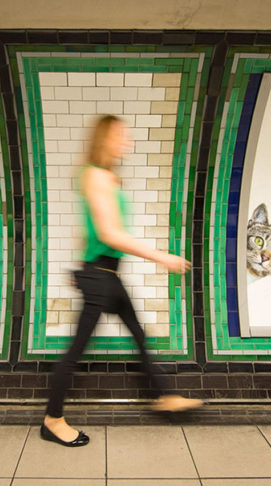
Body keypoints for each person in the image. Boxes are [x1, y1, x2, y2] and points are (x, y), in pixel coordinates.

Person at [41, 114, 203, 447]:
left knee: (139, 334)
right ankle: (52, 419)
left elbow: (86, 228)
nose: (126, 142)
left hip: (105, 274)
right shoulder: (95, 176)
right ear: (104, 139)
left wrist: (81, 264)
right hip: (101, 276)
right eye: (120, 136)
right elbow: (109, 233)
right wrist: (162, 257)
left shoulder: (105, 178)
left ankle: (163, 396)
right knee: (76, 351)